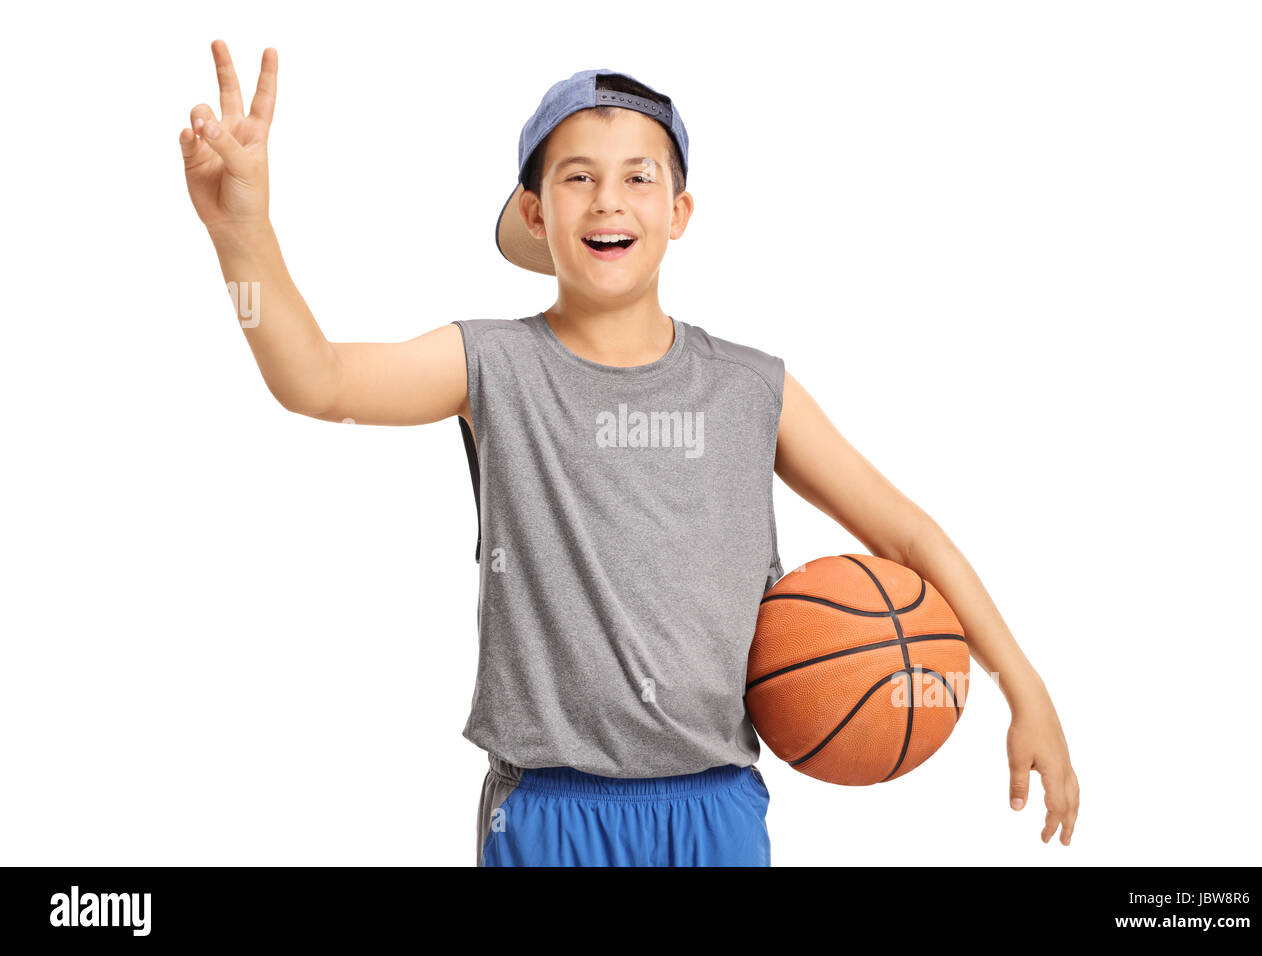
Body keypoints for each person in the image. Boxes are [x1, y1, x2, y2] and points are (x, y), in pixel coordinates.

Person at [179, 40, 1081, 867]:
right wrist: (242, 233)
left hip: (714, 808)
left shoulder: (748, 388)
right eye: (577, 178)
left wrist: (1021, 683)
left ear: (679, 210)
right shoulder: (491, 363)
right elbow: (317, 380)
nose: (608, 199)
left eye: (638, 177)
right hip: (550, 810)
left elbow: (908, 536)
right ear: (535, 212)